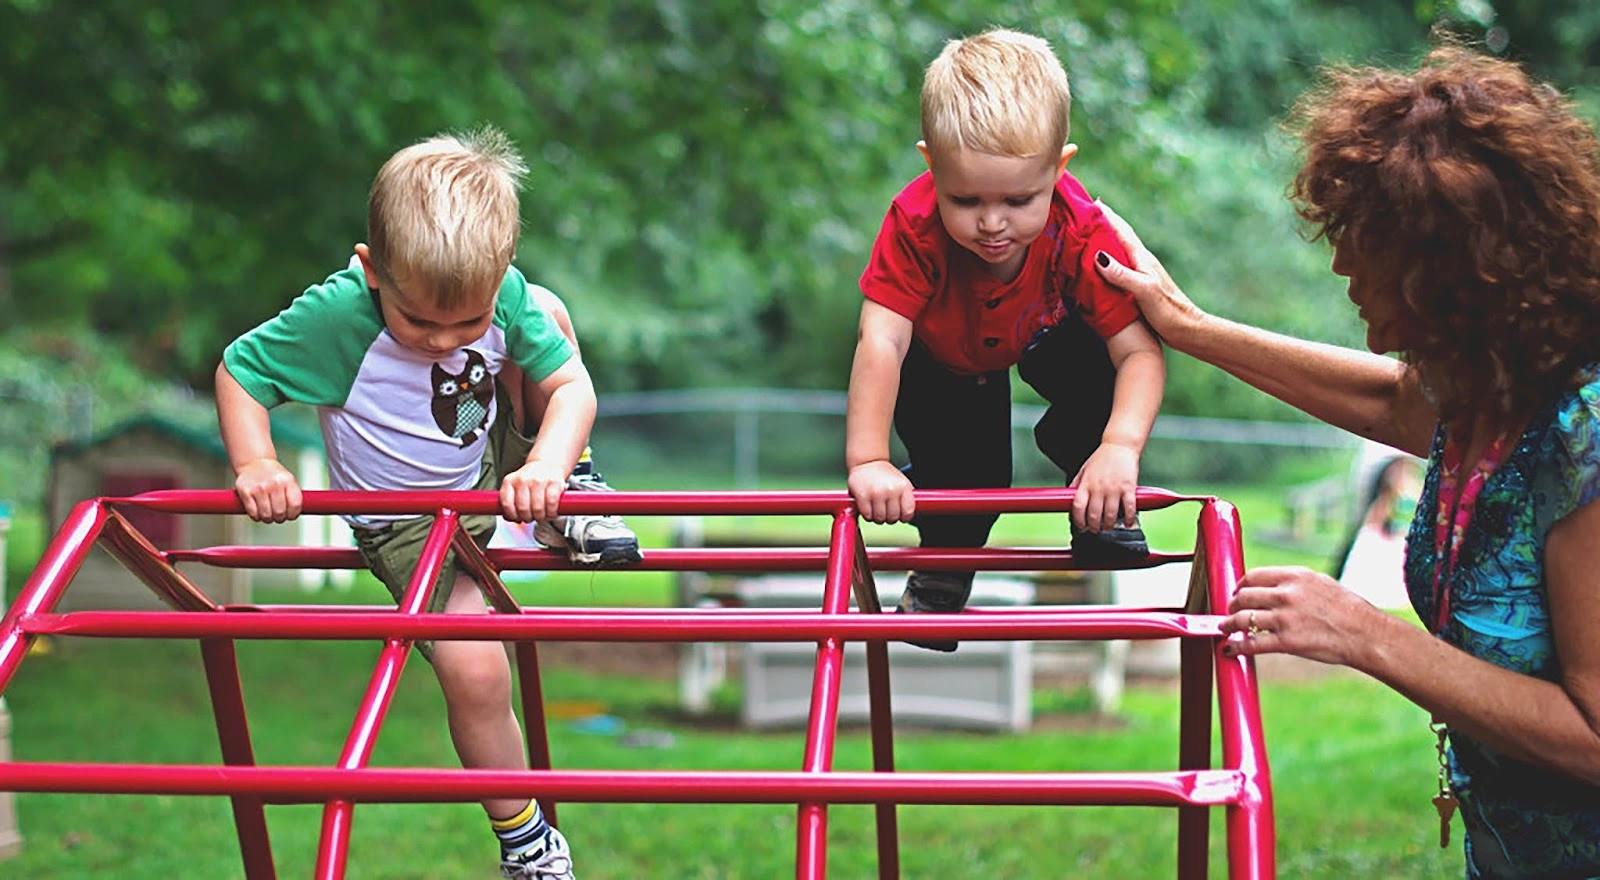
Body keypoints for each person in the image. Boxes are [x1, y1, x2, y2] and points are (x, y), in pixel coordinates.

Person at [1093, 44, 1600, 879]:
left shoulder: (1581, 438)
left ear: (1447, 268)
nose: (1338, 266)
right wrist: (1189, 326)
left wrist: (1368, 636)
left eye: (1362, 245)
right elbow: (1390, 403)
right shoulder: (1486, 392)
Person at [214, 126, 642, 879]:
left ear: (498, 269)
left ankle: (571, 492)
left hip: (493, 471)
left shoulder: (506, 293)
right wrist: (257, 462)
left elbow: (572, 387)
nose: (445, 342)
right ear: (371, 270)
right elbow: (241, 371)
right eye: (419, 322)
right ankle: (524, 838)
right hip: (404, 520)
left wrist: (547, 463)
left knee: (550, 312)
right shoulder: (336, 318)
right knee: (475, 671)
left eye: (467, 323)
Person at [845, 28, 1166, 652]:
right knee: (974, 477)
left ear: (1059, 168)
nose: (993, 224)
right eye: (965, 199)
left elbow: (1139, 352)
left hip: (1041, 341)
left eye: (1020, 199)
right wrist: (869, 460)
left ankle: (1101, 505)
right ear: (930, 166)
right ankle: (943, 564)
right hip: (940, 363)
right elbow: (880, 339)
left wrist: (1120, 448)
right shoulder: (914, 224)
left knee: (1095, 359)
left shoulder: (1080, 227)